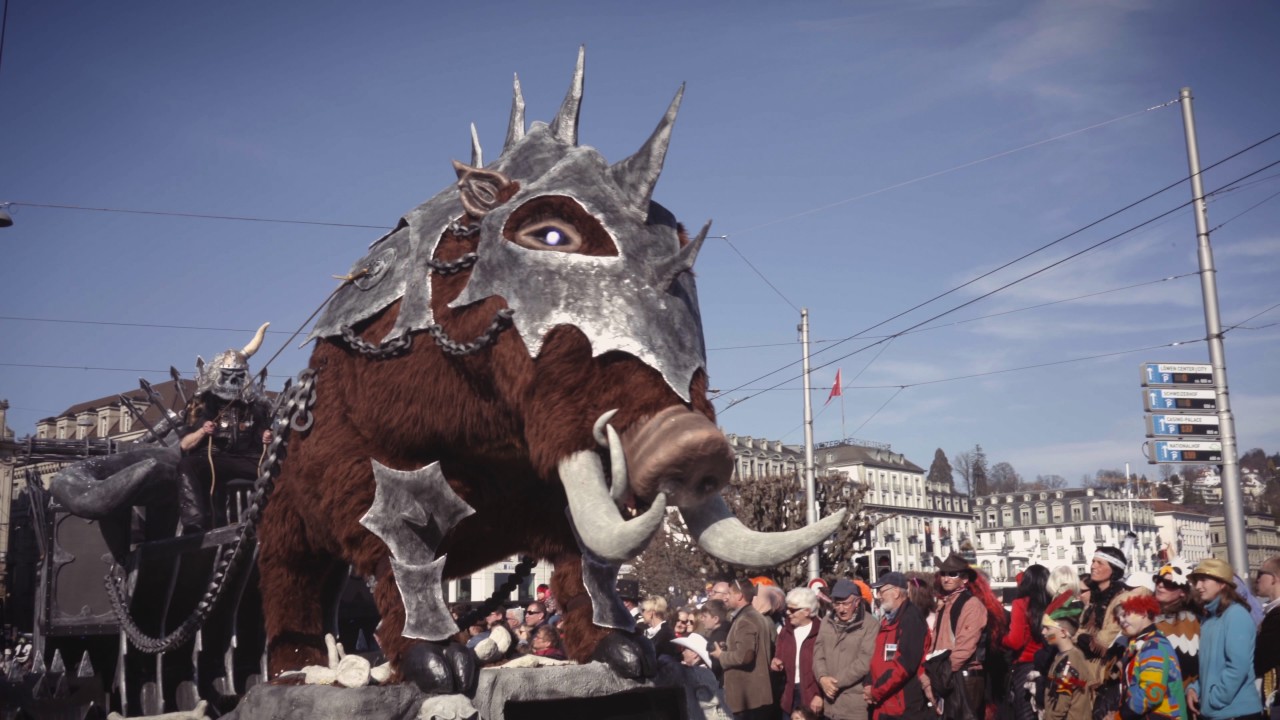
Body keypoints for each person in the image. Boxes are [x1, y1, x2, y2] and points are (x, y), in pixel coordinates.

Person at [176, 323, 273, 533]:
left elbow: (264, 436)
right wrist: (203, 431)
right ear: (219, 374)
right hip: (214, 458)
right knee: (187, 466)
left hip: (248, 459)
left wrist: (267, 437)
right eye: (228, 374)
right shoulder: (204, 403)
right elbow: (184, 445)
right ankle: (195, 525)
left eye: (238, 375)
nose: (233, 381)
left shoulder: (255, 406)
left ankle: (280, 520)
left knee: (280, 468)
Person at [1187, 558, 1264, 720]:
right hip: (1218, 712)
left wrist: (1215, 698)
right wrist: (1196, 689)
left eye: (1204, 580)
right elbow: (1211, 668)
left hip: (1236, 713)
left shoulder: (1236, 615)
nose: (1198, 586)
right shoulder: (1210, 618)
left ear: (1222, 583)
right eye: (1196, 581)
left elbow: (1238, 666)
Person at [933, 553, 1006, 720]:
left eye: (952, 574)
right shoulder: (944, 603)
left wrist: (942, 674)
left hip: (963, 676)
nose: (946, 578)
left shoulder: (972, 604)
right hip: (946, 675)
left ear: (964, 578)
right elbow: (936, 642)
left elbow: (965, 647)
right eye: (943, 573)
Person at [1077, 546, 1134, 720]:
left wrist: (1082, 637)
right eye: (1093, 561)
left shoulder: (1122, 598)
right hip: (1086, 672)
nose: (1093, 566)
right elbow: (1080, 632)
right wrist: (1081, 637)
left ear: (1113, 570)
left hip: (1106, 676)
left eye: (1099, 563)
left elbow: (1103, 640)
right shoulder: (1094, 598)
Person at [864, 573, 929, 720]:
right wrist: (868, 683)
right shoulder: (888, 620)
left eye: (881, 591)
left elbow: (905, 665)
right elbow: (877, 658)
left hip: (901, 706)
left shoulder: (910, 619)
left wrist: (876, 691)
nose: (878, 596)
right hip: (885, 703)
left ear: (896, 592)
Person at [814, 578, 880, 720]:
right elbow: (818, 654)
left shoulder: (870, 625)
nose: (841, 609)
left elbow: (864, 661)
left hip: (854, 706)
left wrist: (833, 683)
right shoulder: (826, 622)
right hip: (829, 705)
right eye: (837, 604)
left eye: (845, 604)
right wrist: (822, 678)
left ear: (857, 602)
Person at [710, 578, 775, 720]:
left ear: (739, 596)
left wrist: (722, 656)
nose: (726, 598)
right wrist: (727, 648)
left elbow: (745, 655)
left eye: (730, 594)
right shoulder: (755, 616)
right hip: (754, 698)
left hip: (748, 699)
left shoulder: (746, 619)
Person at [1115, 592, 1186, 720]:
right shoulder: (1140, 643)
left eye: (1125, 615)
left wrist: (1121, 715)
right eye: (1118, 618)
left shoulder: (1154, 646)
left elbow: (1151, 693)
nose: (1121, 621)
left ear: (1143, 612)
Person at [1003, 564, 1050, 720]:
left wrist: (1001, 639)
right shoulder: (1051, 603)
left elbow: (1015, 641)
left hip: (1026, 667)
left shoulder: (1021, 603)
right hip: (1050, 664)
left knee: (1026, 713)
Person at [771, 587, 824, 720]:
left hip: (811, 697)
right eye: (787, 609)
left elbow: (830, 666)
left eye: (793, 610)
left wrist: (819, 695)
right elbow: (779, 656)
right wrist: (776, 662)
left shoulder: (822, 632)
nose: (788, 613)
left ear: (807, 611)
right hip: (789, 695)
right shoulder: (785, 632)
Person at [1151, 560, 1200, 689]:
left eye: (1168, 583)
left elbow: (1189, 669)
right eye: (1158, 580)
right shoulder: (1145, 615)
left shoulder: (1188, 621)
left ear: (1182, 592)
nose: (1160, 585)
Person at [1041, 609, 1094, 720]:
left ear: (1063, 632)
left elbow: (1059, 708)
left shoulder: (1068, 664)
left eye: (1048, 628)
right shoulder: (1066, 655)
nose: (1043, 632)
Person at [1254, 556, 1280, 715]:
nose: (1256, 580)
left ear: (1274, 578)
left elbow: (1261, 659)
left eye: (1260, 574)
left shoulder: (1277, 617)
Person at [699, 599, 731, 683]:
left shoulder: (717, 638)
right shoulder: (729, 630)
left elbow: (715, 666)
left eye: (705, 616)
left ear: (716, 619)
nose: (702, 619)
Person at [641, 595, 678, 659]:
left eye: (643, 610)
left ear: (651, 613)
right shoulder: (646, 631)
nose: (642, 614)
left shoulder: (667, 634)